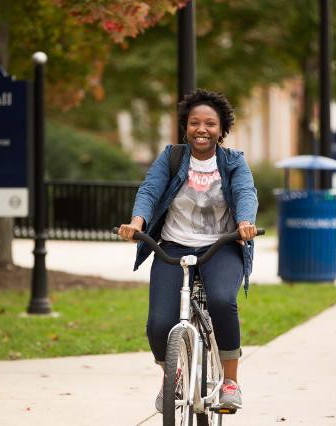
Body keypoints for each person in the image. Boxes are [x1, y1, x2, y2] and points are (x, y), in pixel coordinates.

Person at [117, 89, 258, 412]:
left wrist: (246, 222)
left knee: (222, 300)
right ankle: (172, 376)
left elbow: (244, 192)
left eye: (210, 123)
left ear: (221, 129)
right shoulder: (172, 157)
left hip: (220, 246)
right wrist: (137, 222)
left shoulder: (233, 162)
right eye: (195, 122)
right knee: (158, 324)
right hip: (173, 245)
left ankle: (230, 382)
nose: (202, 129)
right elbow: (150, 190)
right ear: (186, 127)